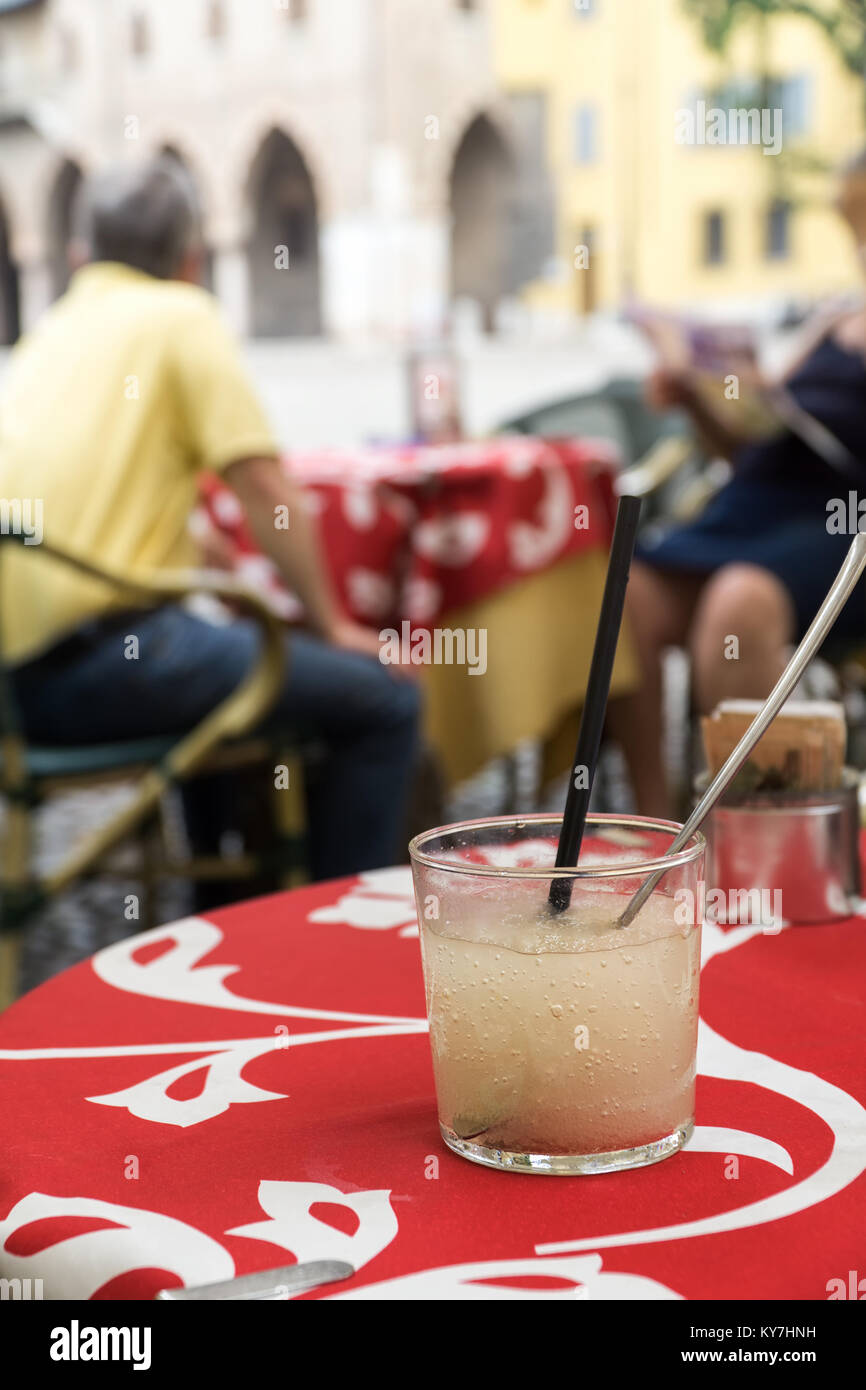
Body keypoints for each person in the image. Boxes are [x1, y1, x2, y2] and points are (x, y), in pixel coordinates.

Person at [0, 157, 421, 880]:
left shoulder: (50, 332)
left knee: (211, 661)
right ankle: (333, 927)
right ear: (193, 263)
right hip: (95, 670)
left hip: (17, 682)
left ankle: (221, 906)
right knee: (383, 699)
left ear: (77, 257)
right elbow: (268, 490)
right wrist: (333, 626)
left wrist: (197, 549)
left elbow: (89, 501)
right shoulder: (180, 316)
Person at [607, 148, 866, 817]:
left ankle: (744, 843)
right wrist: (699, 397)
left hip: (841, 525)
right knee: (621, 593)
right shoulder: (834, 319)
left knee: (738, 602)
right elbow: (751, 439)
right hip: (755, 502)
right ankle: (656, 830)